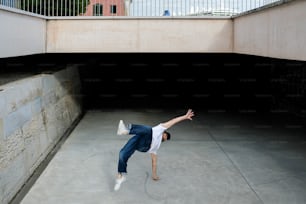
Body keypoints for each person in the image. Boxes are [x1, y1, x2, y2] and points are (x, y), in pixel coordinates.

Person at [114, 109, 195, 191]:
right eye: (165, 136)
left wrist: (154, 174)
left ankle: (127, 130)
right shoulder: (159, 129)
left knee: (148, 130)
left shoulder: (157, 146)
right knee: (122, 153)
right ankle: (120, 175)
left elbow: (154, 161)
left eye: (165, 139)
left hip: (146, 146)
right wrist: (184, 117)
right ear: (164, 132)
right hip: (138, 141)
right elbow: (173, 121)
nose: (164, 138)